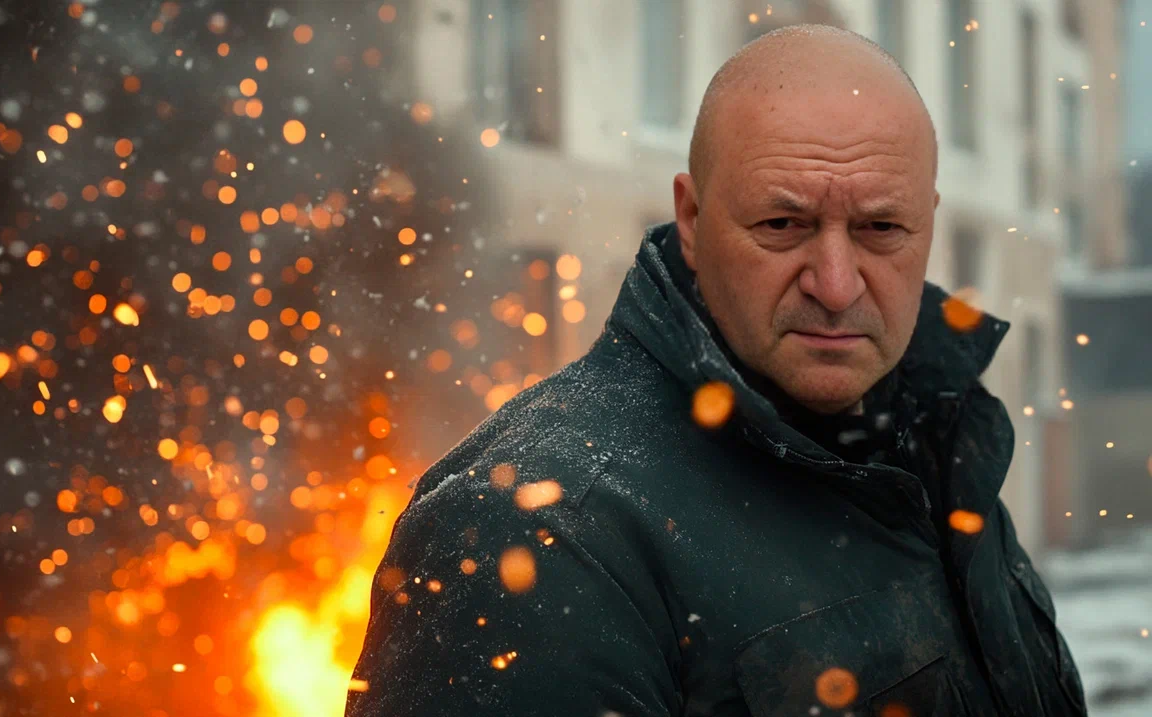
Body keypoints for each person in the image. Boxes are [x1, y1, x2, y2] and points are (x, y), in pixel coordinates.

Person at [346, 24, 1087, 717]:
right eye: (783, 225)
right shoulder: (532, 530)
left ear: (928, 221)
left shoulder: (935, 441)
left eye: (881, 227)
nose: (836, 285)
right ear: (693, 220)